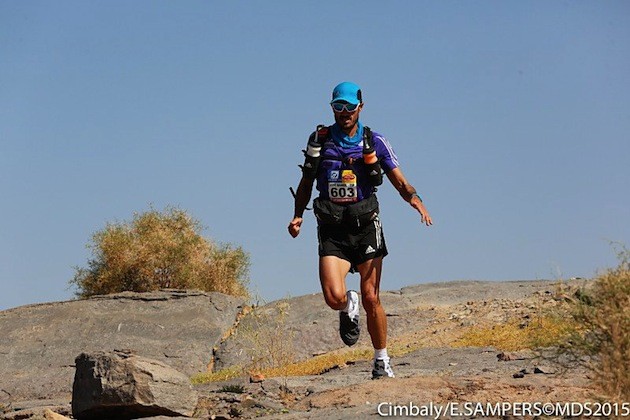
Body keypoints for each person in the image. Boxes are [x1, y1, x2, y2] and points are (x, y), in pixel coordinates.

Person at [288, 81, 432, 379]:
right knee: (333, 297)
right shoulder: (320, 140)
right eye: (337, 107)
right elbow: (305, 181)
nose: (344, 113)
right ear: (332, 108)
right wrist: (297, 215)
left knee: (371, 296)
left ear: (360, 108)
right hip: (332, 228)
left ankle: (381, 360)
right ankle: (347, 304)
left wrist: (414, 199)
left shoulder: (375, 141)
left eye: (349, 107)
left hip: (365, 225)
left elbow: (399, 180)